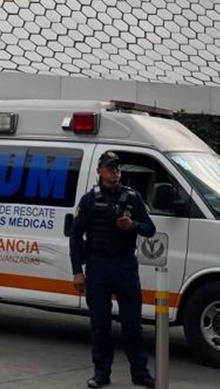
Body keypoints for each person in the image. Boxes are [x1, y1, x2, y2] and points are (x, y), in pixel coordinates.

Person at [69, 151, 157, 389]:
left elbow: (150, 228)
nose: (115, 171)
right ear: (99, 171)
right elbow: (76, 237)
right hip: (98, 266)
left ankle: (140, 373)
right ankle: (101, 374)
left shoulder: (132, 198)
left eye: (117, 168)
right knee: (100, 325)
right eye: (110, 167)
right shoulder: (88, 200)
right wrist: (78, 271)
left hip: (125, 266)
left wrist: (133, 225)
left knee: (132, 325)